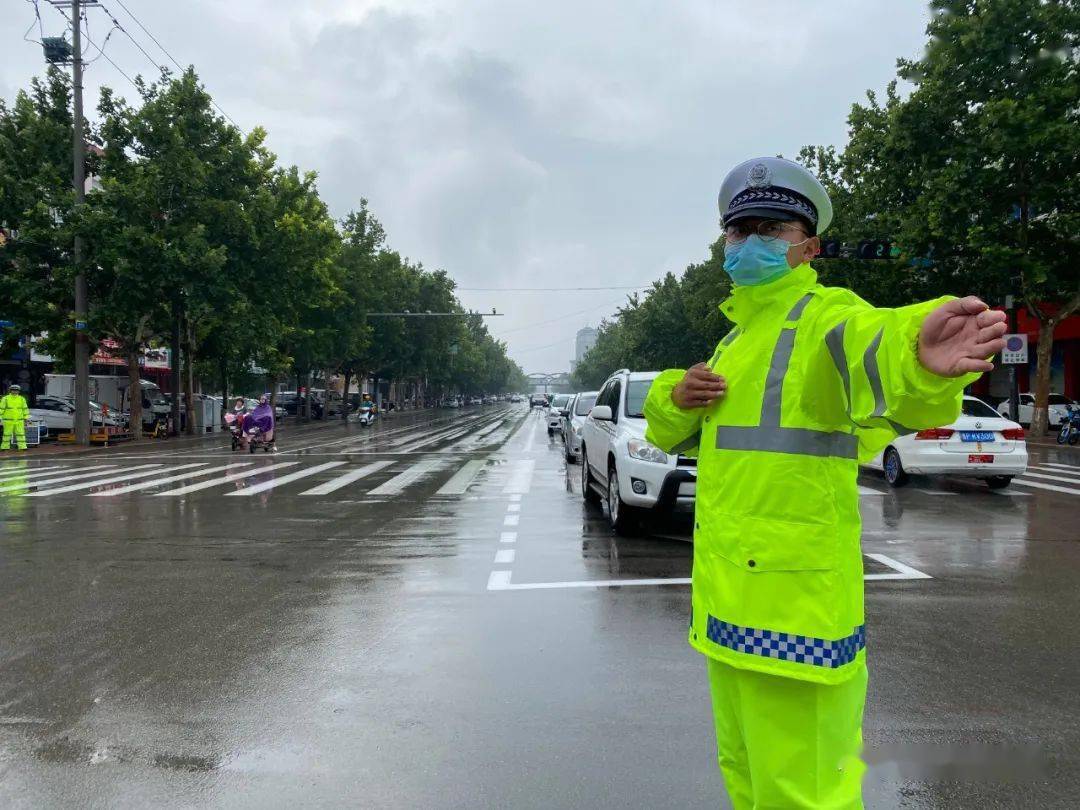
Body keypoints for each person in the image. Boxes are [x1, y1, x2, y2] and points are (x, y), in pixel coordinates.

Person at [643, 157, 1006, 809]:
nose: (750, 241)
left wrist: (918, 359)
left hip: (796, 623)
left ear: (808, 247)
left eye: (770, 229)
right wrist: (677, 393)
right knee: (748, 780)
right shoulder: (737, 340)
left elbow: (870, 340)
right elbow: (667, 430)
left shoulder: (818, 318)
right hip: (730, 613)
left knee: (805, 795)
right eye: (738, 229)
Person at [0, 383, 31, 451]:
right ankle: (4, 447)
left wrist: (26, 418)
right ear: (10, 390)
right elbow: (1, 409)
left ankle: (22, 447)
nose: (15, 391)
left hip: (19, 420)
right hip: (8, 421)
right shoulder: (5, 399)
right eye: (13, 390)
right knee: (6, 434)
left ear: (19, 391)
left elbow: (25, 409)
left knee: (20, 434)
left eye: (16, 390)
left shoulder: (22, 399)